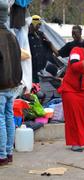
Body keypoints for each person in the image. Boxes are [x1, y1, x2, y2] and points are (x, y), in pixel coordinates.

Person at [57, 34, 84, 152]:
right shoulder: (76, 51)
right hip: (69, 88)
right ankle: (75, 142)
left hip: (82, 90)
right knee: (73, 116)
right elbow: (74, 66)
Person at [0, 0, 22, 166]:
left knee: (1, 119)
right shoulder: (12, 36)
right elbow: (18, 61)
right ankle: (8, 152)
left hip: (1, 85)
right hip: (12, 85)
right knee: (8, 117)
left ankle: (1, 155)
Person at [28, 15, 58, 83]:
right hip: (32, 68)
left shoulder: (41, 35)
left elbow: (48, 45)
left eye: (40, 24)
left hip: (41, 68)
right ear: (33, 23)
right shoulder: (27, 35)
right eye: (38, 24)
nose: (39, 26)